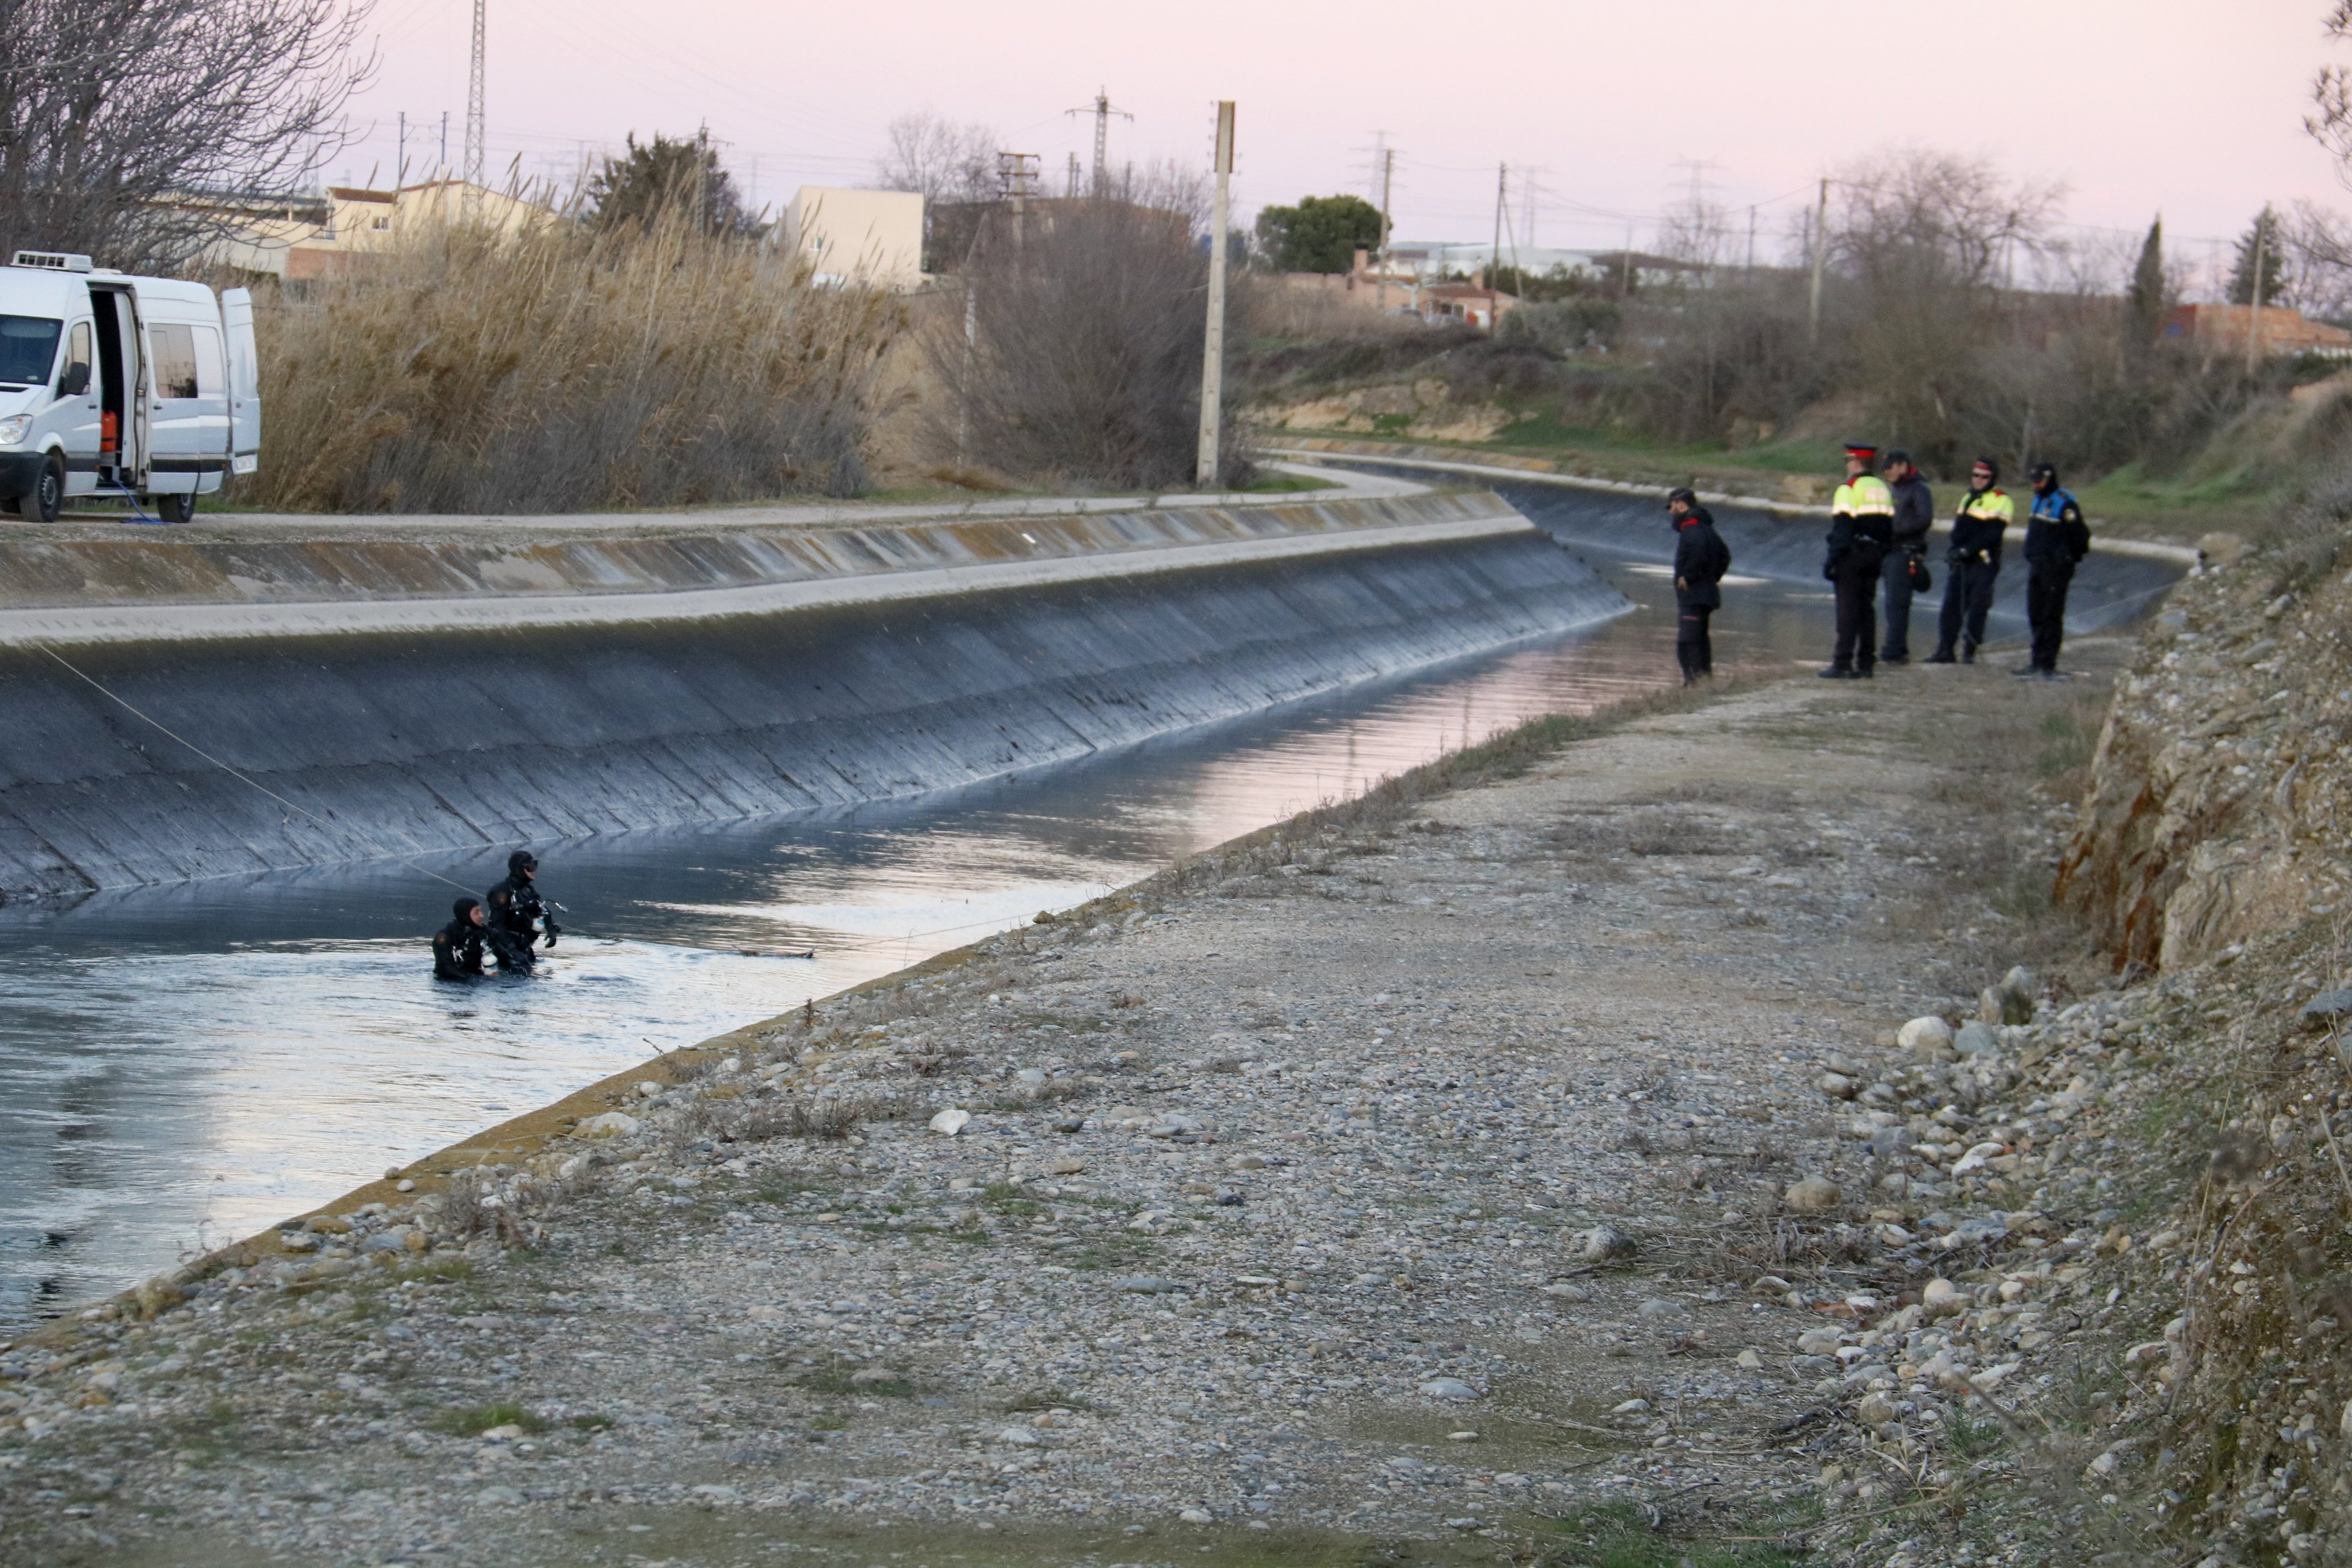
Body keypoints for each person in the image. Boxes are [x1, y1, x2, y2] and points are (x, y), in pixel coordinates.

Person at [1925, 457, 2013, 665]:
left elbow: (1993, 534)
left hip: (1983, 562)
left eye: (1984, 477)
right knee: (1951, 607)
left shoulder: (2001, 500)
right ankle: (1945, 650)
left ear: (1992, 478)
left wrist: (1967, 550)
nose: (1979, 480)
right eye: (1976, 475)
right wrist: (1955, 550)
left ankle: (1970, 651)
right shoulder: (1968, 497)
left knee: (1977, 608)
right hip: (1961, 562)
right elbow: (1960, 530)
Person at [1820, 443, 1894, 679]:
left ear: (1855, 462)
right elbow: (1888, 527)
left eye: (1848, 461)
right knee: (1866, 609)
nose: (1847, 465)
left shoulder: (1849, 488)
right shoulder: (1882, 488)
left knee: (1847, 609)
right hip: (1875, 554)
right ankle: (1866, 663)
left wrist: (1832, 559)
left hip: (1852, 555)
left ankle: (1842, 663)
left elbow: (1843, 528)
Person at [2018, 461, 2090, 679]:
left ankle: (2048, 663)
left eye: (2039, 481)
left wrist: (2067, 559)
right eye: (2033, 482)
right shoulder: (2037, 500)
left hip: (2056, 567)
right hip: (2037, 565)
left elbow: (2080, 536)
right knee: (2035, 612)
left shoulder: (2064, 502)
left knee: (2051, 615)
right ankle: (2036, 661)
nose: (2036, 485)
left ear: (2049, 479)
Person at [1668, 486, 1732, 685]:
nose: (1670, 512)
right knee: (1700, 638)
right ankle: (1704, 681)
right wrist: (1713, 577)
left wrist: (1689, 576)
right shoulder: (1706, 527)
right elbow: (1725, 555)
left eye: (1671, 506)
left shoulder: (1692, 527)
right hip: (1706, 593)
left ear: (1680, 504)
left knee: (1688, 642)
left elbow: (1699, 551)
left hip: (1694, 594)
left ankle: (1694, 684)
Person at [1877, 450, 1934, 665]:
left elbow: (1925, 518)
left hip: (1905, 550)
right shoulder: (1895, 489)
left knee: (1898, 603)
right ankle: (1896, 647)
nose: (1888, 472)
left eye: (1891, 468)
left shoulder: (1919, 489)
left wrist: (1897, 529)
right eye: (1886, 469)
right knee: (1892, 603)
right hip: (1891, 550)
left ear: (1903, 466)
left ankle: (1894, 651)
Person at [486, 849, 559, 971]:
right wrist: (511, 950)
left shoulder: (528, 890)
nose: (534, 871)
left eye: (535, 865)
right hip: (504, 949)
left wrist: (551, 928)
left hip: (524, 946)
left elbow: (541, 909)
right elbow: (497, 925)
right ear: (518, 869)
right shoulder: (502, 891)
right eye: (529, 867)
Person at [432, 896, 489, 982]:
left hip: (473, 978)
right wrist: (469, 980)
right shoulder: (444, 936)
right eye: (477, 912)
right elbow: (446, 967)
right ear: (465, 915)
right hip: (448, 982)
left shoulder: (478, 932)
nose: (482, 915)